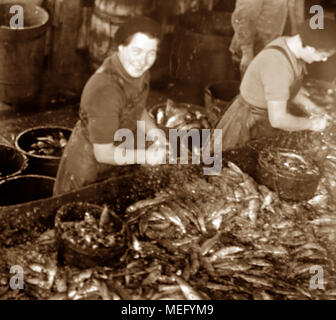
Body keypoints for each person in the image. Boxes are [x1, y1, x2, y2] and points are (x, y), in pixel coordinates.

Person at [53, 16, 166, 195]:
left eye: (150, 53)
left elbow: (137, 108)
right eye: (137, 51)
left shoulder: (139, 72)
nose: (143, 61)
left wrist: (154, 132)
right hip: (87, 169)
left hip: (116, 158)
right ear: (120, 47)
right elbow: (103, 153)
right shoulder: (104, 91)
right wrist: (146, 156)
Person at [212, 18, 336, 152]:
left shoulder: (289, 45)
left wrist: (314, 109)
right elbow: (278, 119)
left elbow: (288, 89)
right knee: (225, 166)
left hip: (261, 118)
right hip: (246, 124)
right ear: (311, 48)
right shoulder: (278, 65)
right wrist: (312, 124)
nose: (323, 60)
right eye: (323, 55)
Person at [230, 0, 305, 76]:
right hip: (254, 49)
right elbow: (242, 18)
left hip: (275, 49)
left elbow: (297, 15)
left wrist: (300, 48)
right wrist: (247, 51)